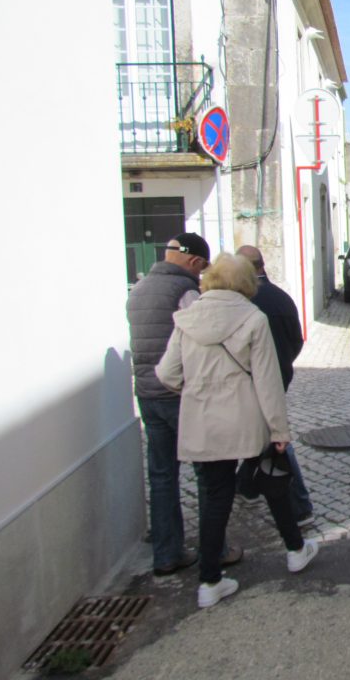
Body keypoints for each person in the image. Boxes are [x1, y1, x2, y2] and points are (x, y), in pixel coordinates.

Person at [156, 253, 318, 609]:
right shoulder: (252, 317)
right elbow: (267, 381)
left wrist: (198, 391)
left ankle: (209, 581)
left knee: (215, 499)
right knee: (273, 485)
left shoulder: (185, 320)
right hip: (246, 420)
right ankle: (294, 550)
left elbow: (167, 374)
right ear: (246, 283)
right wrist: (279, 430)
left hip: (203, 423)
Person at [126, 232, 242, 575]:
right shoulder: (185, 291)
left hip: (147, 395)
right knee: (208, 474)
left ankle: (166, 554)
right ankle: (215, 551)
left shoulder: (140, 288)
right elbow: (204, 336)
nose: (202, 275)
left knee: (161, 476)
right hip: (180, 395)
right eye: (202, 269)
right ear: (194, 262)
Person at [236, 245, 315, 525]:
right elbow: (296, 339)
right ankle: (244, 485)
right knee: (263, 433)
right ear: (262, 264)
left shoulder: (242, 302)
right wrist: (283, 365)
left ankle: (300, 504)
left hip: (251, 381)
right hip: (279, 376)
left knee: (275, 437)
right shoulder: (281, 298)